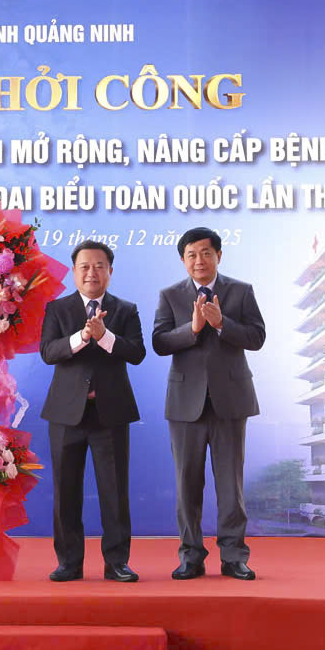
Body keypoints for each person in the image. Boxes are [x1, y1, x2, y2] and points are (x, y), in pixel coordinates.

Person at [152, 227, 265, 580]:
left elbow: (257, 337)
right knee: (187, 485)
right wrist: (194, 328)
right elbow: (159, 342)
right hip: (186, 404)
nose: (199, 260)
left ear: (218, 255)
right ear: (183, 260)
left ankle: (234, 556)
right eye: (191, 255)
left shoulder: (241, 291)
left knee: (231, 485)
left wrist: (221, 324)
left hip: (230, 402)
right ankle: (191, 556)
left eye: (205, 253)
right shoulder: (170, 295)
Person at [39, 240, 146, 582]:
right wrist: (83, 336)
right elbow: (48, 351)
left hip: (110, 414)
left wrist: (105, 336)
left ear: (110, 271)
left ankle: (117, 563)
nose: (92, 273)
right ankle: (69, 562)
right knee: (65, 492)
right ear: (74, 271)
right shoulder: (57, 309)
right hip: (66, 414)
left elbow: (137, 353)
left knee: (114, 492)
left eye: (99, 266)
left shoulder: (126, 310)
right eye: (84, 266)